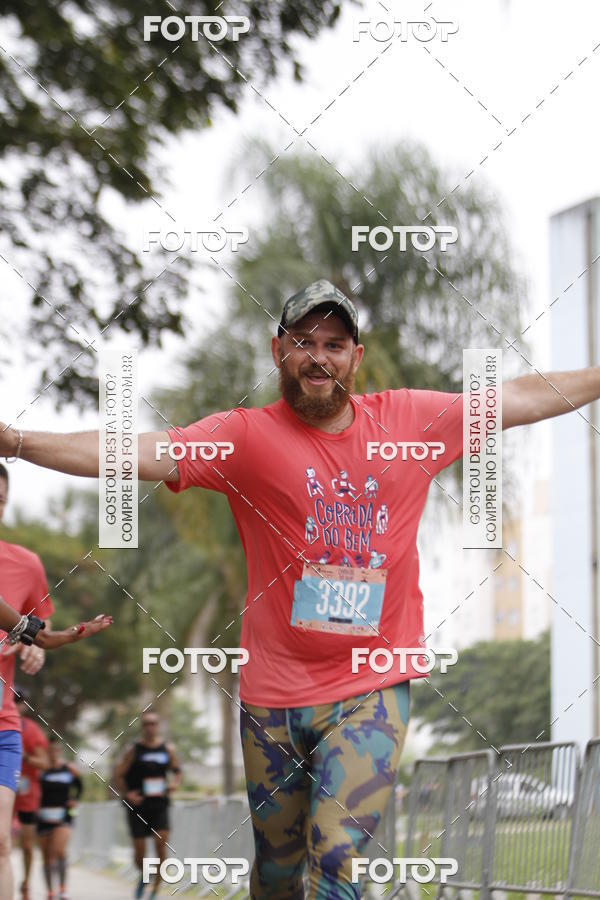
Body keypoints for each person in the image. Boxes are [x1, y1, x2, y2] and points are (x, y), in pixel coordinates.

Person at [0, 278, 597, 897]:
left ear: (355, 357)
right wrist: (16, 442)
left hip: (371, 686)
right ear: (278, 351)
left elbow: (519, 396)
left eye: (334, 345)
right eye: (304, 342)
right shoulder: (245, 438)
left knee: (337, 858)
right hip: (274, 699)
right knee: (279, 874)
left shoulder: (411, 421)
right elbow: (133, 451)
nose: (319, 357)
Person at [0, 462, 112, 900]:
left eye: (0, 501)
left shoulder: (24, 566)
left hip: (3, 725)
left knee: (1, 843)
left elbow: (39, 632)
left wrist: (35, 647)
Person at [113, 711, 182, 899]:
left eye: (153, 723)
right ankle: (144, 876)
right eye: (146, 724)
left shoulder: (166, 749)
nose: (150, 727)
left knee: (161, 844)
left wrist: (174, 784)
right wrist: (127, 794)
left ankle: (155, 890)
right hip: (138, 806)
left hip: (159, 804)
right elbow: (118, 775)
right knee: (139, 853)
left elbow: (177, 771)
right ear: (142, 727)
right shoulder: (134, 750)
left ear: (158, 726)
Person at [36, 736, 82, 900]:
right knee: (46, 855)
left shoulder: (68, 769)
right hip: (44, 817)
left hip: (64, 815)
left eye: (56, 750)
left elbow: (79, 786)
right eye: (50, 751)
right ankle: (50, 891)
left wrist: (75, 800)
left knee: (59, 850)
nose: (53, 754)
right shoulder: (42, 772)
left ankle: (63, 890)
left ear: (60, 752)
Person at [14, 686, 49, 900]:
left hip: (27, 793)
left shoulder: (32, 730)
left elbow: (44, 763)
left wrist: (24, 757)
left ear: (24, 706)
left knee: (27, 845)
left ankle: (26, 883)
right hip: (4, 789)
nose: (16, 705)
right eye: (12, 700)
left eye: (19, 701)